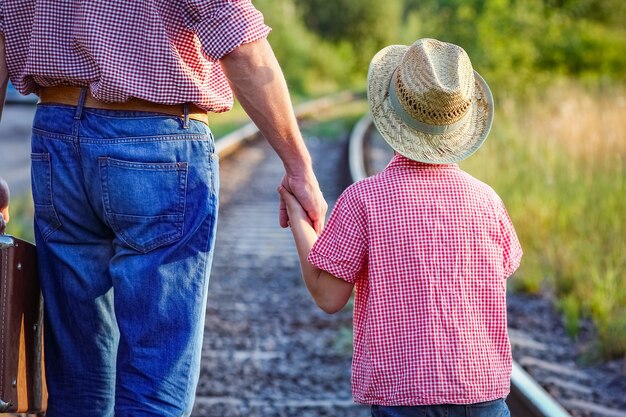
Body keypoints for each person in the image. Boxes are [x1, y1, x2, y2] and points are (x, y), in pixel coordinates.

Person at [0, 1, 327, 416]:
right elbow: (242, 44)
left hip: (57, 141)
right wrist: (299, 167)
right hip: (158, 140)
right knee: (155, 380)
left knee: (76, 379)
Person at [281, 38, 522, 417]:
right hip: (482, 395)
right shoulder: (487, 201)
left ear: (390, 110)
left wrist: (299, 216)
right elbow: (500, 273)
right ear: (459, 122)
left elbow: (329, 297)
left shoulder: (365, 200)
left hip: (404, 398)